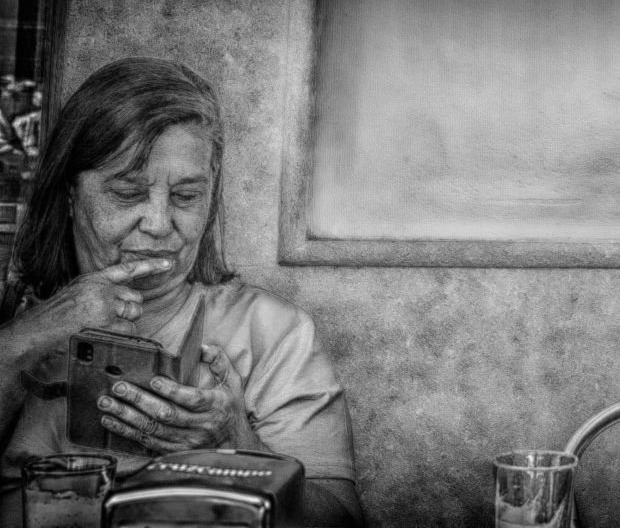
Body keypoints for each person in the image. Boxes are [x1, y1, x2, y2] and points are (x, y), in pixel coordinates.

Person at [0, 57, 364, 525]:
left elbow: (340, 520)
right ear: (69, 193)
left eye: (186, 196)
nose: (158, 224)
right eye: (127, 193)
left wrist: (235, 445)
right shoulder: (14, 315)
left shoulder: (271, 331)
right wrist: (29, 337)